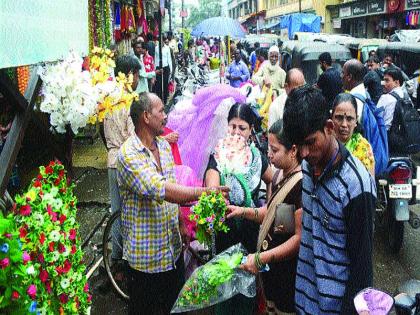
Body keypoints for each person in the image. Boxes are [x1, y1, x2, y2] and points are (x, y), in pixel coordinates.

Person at [117, 92, 228, 314]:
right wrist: (205, 192)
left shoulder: (164, 147)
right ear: (146, 117)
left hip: (172, 252)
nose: (166, 116)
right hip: (146, 260)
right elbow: (163, 189)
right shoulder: (128, 155)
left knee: (174, 308)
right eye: (161, 111)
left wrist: (181, 223)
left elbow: (172, 184)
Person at [283, 86, 376, 315]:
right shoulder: (307, 166)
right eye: (298, 145)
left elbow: (362, 271)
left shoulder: (356, 186)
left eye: (310, 142)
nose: (303, 153)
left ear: (329, 128)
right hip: (304, 300)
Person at [227, 119, 303, 314]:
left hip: (286, 274)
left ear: (293, 151)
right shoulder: (281, 175)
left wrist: (262, 258)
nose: (269, 154)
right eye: (269, 148)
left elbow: (296, 238)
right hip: (273, 272)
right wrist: (242, 211)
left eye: (275, 150)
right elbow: (276, 219)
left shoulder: (300, 184)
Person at [205, 103, 273, 315]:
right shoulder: (218, 155)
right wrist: (215, 193)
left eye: (241, 128)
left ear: (251, 130)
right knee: (223, 292)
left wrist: (268, 207)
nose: (236, 132)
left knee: (245, 294)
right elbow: (211, 184)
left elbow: (273, 178)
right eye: (232, 126)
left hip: (249, 234)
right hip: (224, 233)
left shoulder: (255, 157)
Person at [103, 55, 140, 270]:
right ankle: (121, 257)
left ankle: (116, 257)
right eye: (136, 75)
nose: (137, 79)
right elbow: (133, 137)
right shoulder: (128, 100)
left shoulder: (107, 97)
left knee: (116, 209)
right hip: (125, 160)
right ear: (129, 75)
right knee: (126, 211)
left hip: (111, 158)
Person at [332, 93, 375, 175]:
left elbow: (369, 185)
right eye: (339, 117)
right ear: (332, 118)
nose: (344, 124)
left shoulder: (364, 148)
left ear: (356, 121)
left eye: (349, 119)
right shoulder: (324, 143)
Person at [154, 36, 173, 104]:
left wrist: (170, 70)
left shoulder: (167, 48)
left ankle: (165, 100)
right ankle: (159, 100)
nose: (160, 41)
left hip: (166, 67)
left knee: (165, 84)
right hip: (159, 68)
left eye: (161, 40)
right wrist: (155, 69)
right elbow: (155, 59)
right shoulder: (156, 48)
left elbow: (169, 59)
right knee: (158, 85)